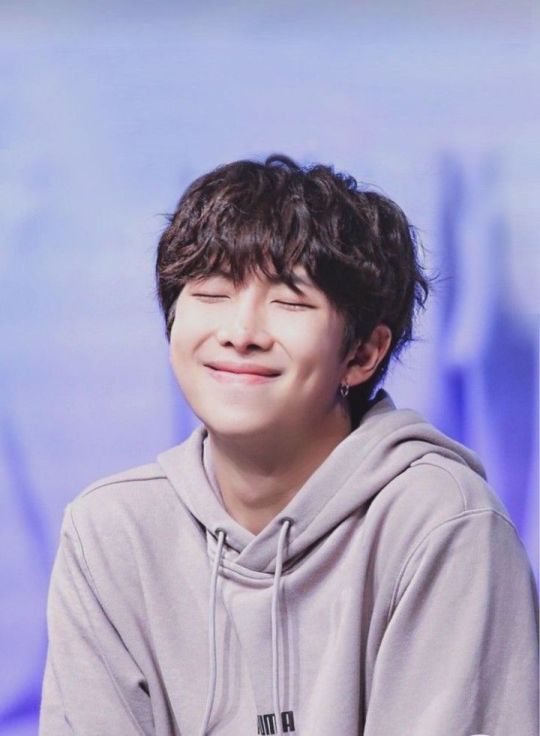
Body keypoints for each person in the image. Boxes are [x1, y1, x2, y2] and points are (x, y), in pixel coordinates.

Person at [39, 154, 539, 735]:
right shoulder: (109, 530)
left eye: (290, 302)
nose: (240, 333)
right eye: (212, 292)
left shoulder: (443, 524)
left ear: (363, 353)